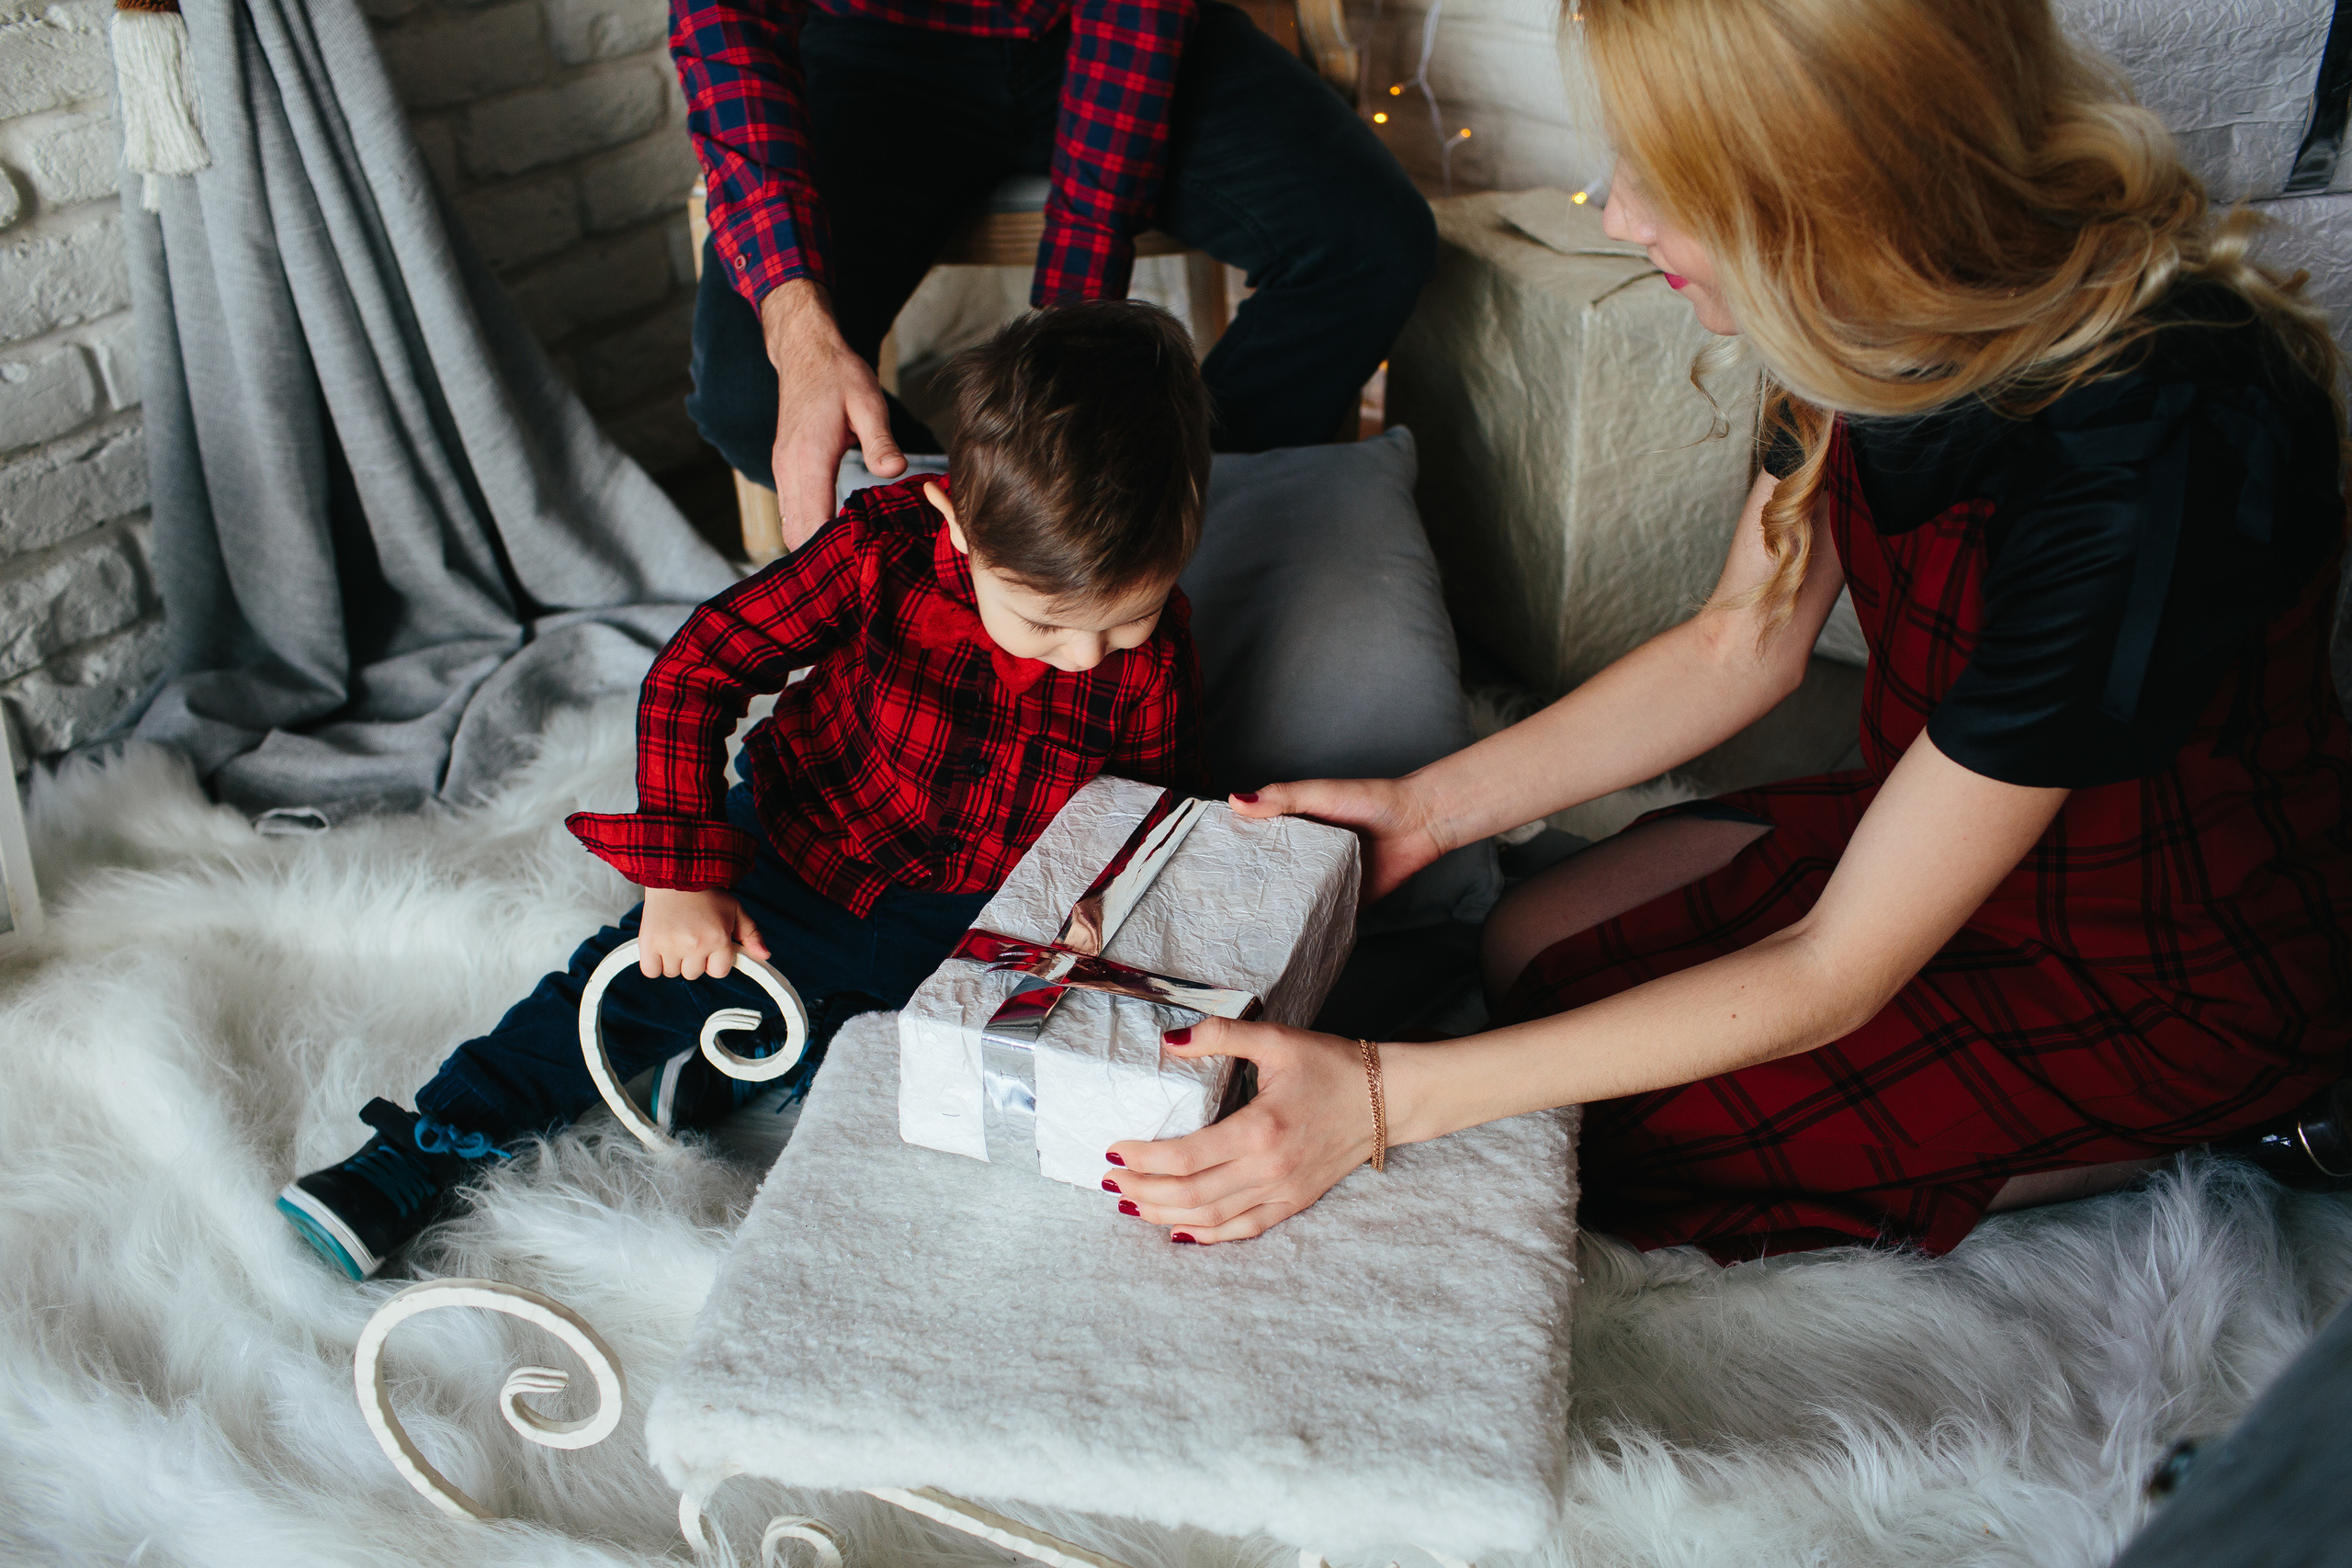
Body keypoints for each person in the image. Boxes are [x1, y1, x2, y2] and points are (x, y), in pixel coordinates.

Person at [1097, 0, 2352, 1258]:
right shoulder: (1872, 299)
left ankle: (2201, 1126)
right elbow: (1739, 642)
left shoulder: (2154, 450)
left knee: (1592, 1142)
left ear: (1827, 184)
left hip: (2153, 961)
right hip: (1931, 824)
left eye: (1664, 176)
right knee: (1529, 941)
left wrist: (1383, 1098)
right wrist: (1421, 809)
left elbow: (1831, 970)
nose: (1618, 215)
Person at [277, 302, 1209, 1280]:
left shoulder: (1162, 652)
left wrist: (1098, 908)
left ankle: (753, 1054)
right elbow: (699, 670)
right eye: (1045, 623)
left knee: (938, 1087)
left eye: (1128, 620)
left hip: (968, 916)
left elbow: (1149, 806)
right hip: (795, 854)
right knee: (621, 988)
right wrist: (682, 879)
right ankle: (428, 1145)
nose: (1087, 656)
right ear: (957, 522)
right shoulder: (877, 550)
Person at [673, 0, 1437, 551]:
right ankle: (988, 553)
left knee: (1374, 241)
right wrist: (796, 322)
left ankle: (1163, 527)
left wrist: (1077, 333)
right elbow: (724, 20)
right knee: (750, 393)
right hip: (871, 43)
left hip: (1120, 28)